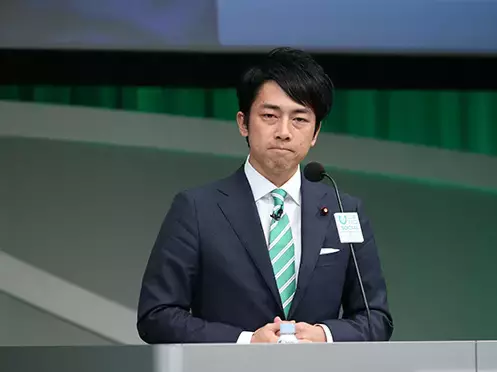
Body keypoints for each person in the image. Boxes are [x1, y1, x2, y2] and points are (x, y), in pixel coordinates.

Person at [136, 47, 393, 344]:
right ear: (243, 123)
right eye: (270, 116)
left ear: (315, 133)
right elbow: (157, 316)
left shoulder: (343, 210)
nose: (284, 132)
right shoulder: (196, 208)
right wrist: (245, 342)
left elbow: (376, 318)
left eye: (299, 119)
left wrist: (324, 335)